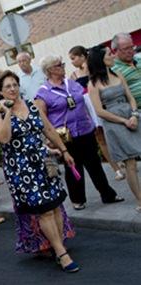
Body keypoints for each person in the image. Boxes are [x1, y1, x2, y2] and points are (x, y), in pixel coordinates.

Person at [0, 70, 79, 272]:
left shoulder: (32, 105)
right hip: (21, 169)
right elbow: (3, 138)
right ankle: (61, 253)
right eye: (7, 87)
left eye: (14, 85)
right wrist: (9, 111)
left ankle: (58, 246)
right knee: (44, 210)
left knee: (55, 206)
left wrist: (64, 151)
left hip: (43, 163)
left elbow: (48, 130)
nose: (12, 89)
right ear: (1, 92)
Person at [35, 55, 124, 210]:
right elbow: (42, 119)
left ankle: (108, 194)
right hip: (65, 136)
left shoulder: (72, 84)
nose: (63, 66)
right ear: (50, 70)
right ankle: (77, 199)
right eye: (59, 65)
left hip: (85, 130)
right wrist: (49, 139)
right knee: (73, 168)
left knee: (95, 164)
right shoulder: (43, 93)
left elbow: (86, 103)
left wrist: (93, 122)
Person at [87, 45, 141, 213]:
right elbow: (99, 111)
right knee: (130, 163)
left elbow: (130, 98)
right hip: (115, 124)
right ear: (100, 60)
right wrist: (123, 121)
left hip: (132, 117)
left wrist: (133, 114)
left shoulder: (118, 75)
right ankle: (140, 200)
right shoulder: (93, 84)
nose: (112, 56)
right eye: (109, 55)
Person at [69, 45, 125, 181]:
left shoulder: (93, 68)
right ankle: (116, 168)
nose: (72, 61)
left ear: (83, 56)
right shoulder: (74, 75)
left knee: (113, 130)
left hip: (99, 100)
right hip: (86, 105)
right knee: (99, 136)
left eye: (73, 58)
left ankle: (124, 158)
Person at [111, 33, 141, 108]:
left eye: (131, 47)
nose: (130, 51)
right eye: (126, 48)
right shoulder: (113, 70)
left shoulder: (139, 59)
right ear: (115, 50)